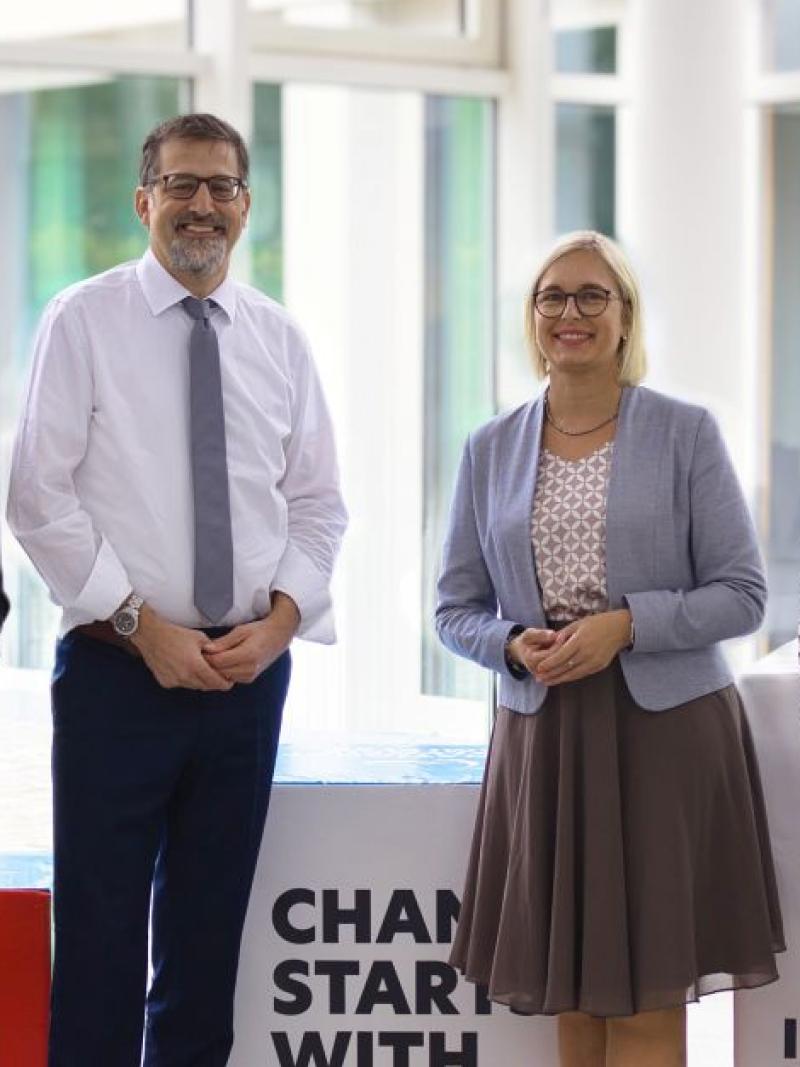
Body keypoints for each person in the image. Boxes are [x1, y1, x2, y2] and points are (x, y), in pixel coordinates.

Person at [7, 112, 347, 1067]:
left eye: (223, 188)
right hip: (120, 674)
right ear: (144, 201)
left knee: (205, 957)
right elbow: (36, 494)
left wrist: (281, 623)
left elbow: (319, 505)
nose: (203, 205)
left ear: (245, 207)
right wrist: (141, 622)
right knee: (100, 952)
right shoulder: (83, 319)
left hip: (245, 681)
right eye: (184, 185)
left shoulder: (280, 341)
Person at [435, 230, 784, 1067]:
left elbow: (744, 593)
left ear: (625, 317)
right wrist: (515, 644)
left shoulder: (685, 433)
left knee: (648, 999)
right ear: (533, 318)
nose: (571, 313)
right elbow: (454, 609)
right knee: (574, 998)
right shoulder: (490, 448)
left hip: (665, 739)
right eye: (553, 296)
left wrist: (624, 626)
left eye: (594, 296)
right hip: (546, 740)